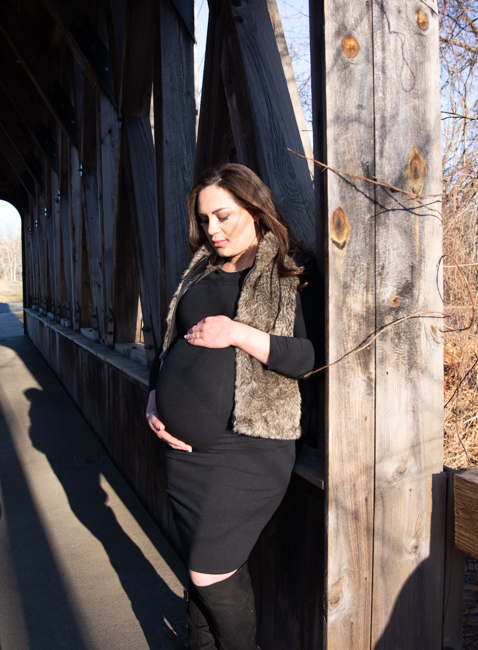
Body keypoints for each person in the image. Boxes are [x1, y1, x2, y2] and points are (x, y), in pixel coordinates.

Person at [145, 163, 318, 650]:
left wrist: (237, 332)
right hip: (184, 453)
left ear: (255, 209)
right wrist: (154, 399)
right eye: (204, 220)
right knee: (201, 575)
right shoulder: (200, 270)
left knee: (209, 574)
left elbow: (309, 356)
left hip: (248, 450)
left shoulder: (289, 270)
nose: (212, 230)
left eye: (223, 216)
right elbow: (167, 348)